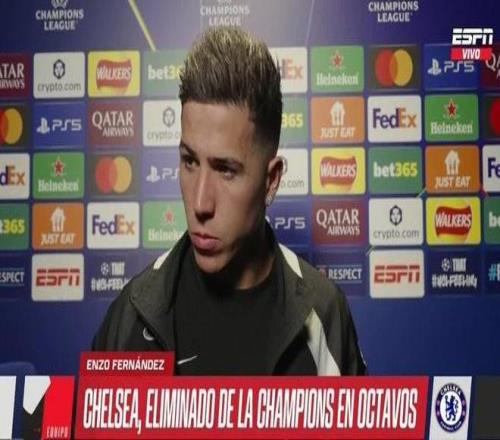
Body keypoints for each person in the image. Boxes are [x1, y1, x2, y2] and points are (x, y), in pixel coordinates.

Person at [92, 26, 367, 376]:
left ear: (271, 181)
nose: (200, 203)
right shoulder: (132, 314)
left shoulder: (324, 315)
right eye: (190, 161)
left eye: (225, 170)